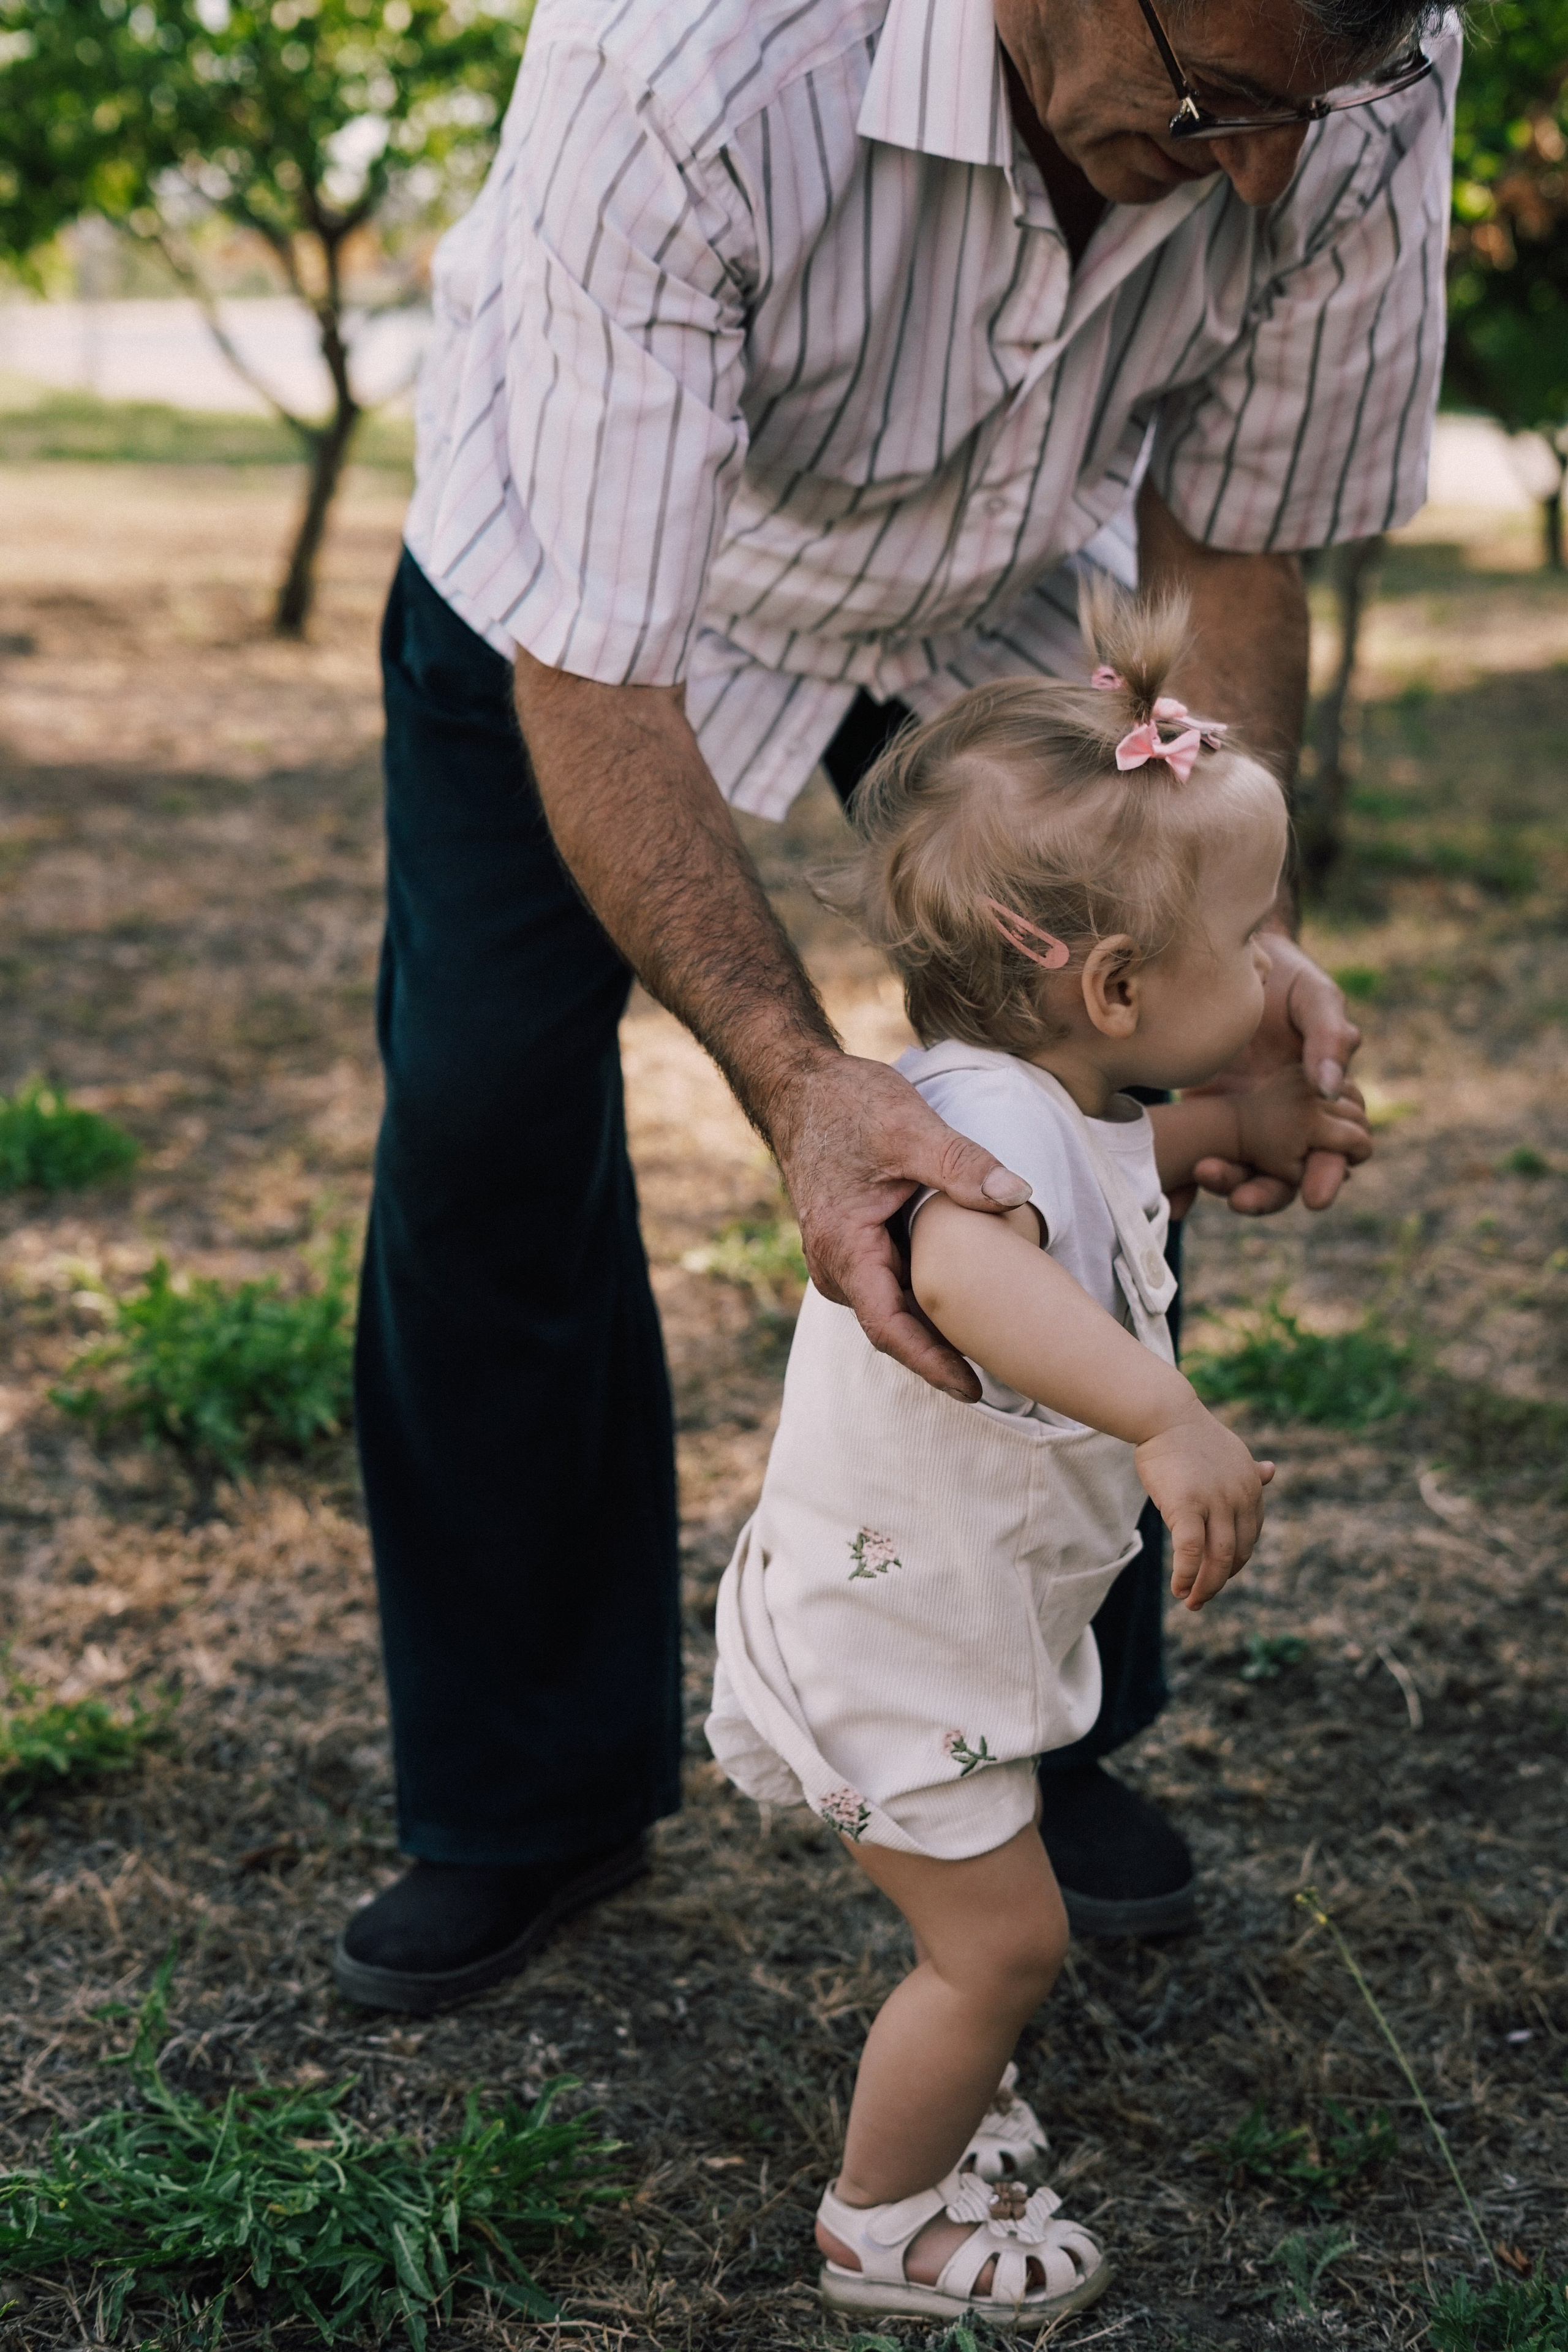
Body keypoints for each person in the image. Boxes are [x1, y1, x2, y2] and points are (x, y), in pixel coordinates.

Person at [331, 0, 1444, 2013]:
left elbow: (1237, 528)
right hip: (597, 610)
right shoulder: (683, 69)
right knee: (487, 1129)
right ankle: (525, 1795)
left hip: (1005, 607)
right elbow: (601, 673)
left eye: (1320, 107)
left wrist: (1237, 940)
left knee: (1114, 1099)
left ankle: (1031, 1738)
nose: (1270, 172)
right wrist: (797, 1080)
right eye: (1219, 103)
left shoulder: (1347, 66)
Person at [705, 588, 1374, 2327]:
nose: (1275, 968)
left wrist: (1253, 1112)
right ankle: (885, 2222)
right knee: (1003, 1944)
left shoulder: (1052, 1087)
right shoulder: (984, 1124)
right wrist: (1165, 1412)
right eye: (1253, 944)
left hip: (948, 1616)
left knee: (986, 1940)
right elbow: (960, 1263)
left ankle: (947, 2084)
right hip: (891, 1640)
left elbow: (1130, 1159)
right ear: (1120, 984)